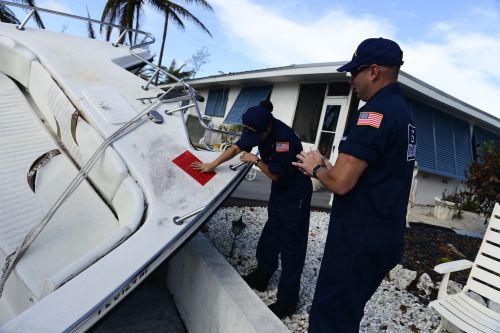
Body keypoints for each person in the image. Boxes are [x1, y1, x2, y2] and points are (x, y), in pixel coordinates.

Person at [293, 37, 416, 332]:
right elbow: (372, 175)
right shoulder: (403, 112)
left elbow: (342, 184)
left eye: (354, 73)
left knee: (330, 316)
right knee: (347, 313)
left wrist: (316, 167)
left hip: (359, 238)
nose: (351, 80)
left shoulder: (373, 115)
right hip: (384, 234)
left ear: (373, 71)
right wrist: (329, 166)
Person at [193, 104, 312, 319]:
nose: (251, 137)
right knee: (271, 234)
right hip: (280, 192)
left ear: (268, 126)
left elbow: (275, 174)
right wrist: (212, 164)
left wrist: (255, 160)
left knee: (292, 247)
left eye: (256, 134)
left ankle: (287, 302)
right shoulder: (255, 128)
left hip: (296, 194)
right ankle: (262, 276)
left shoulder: (283, 140)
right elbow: (237, 148)